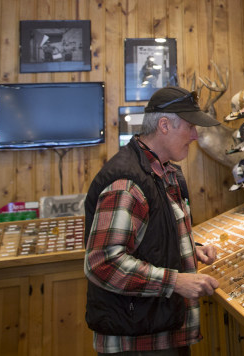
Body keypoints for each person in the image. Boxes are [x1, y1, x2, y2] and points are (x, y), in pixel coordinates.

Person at [84, 86, 222, 355]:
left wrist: (191, 251)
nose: (195, 135)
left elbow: (151, 236)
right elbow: (103, 262)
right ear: (164, 125)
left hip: (162, 329)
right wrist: (176, 281)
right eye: (190, 127)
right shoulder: (127, 181)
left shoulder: (165, 171)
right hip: (137, 341)